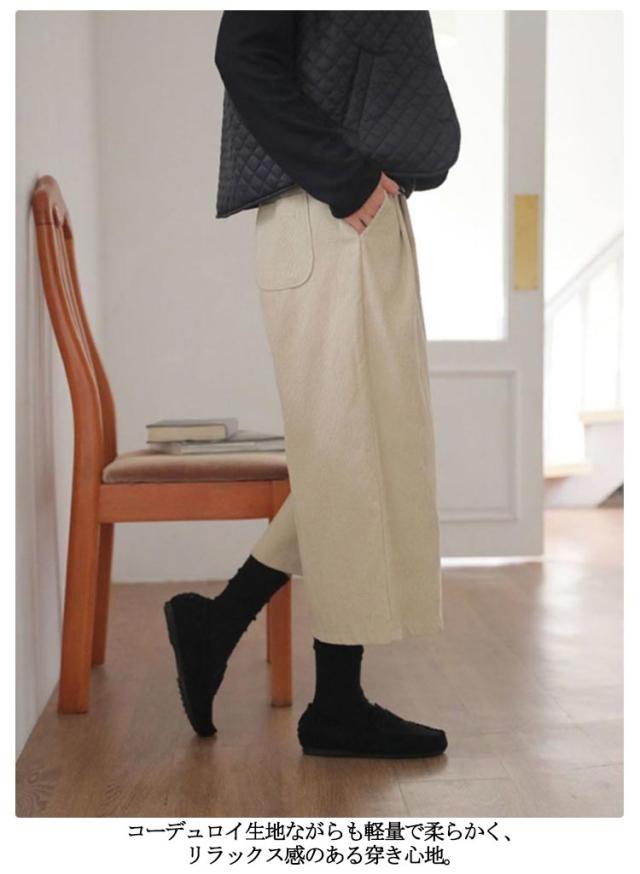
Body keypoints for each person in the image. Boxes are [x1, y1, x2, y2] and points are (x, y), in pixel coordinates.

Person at [164, 10, 460, 758]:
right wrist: (347, 179)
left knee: (373, 458)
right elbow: (243, 52)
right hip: (330, 212)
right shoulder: (338, 187)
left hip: (358, 214)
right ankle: (332, 704)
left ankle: (220, 627)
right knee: (351, 459)